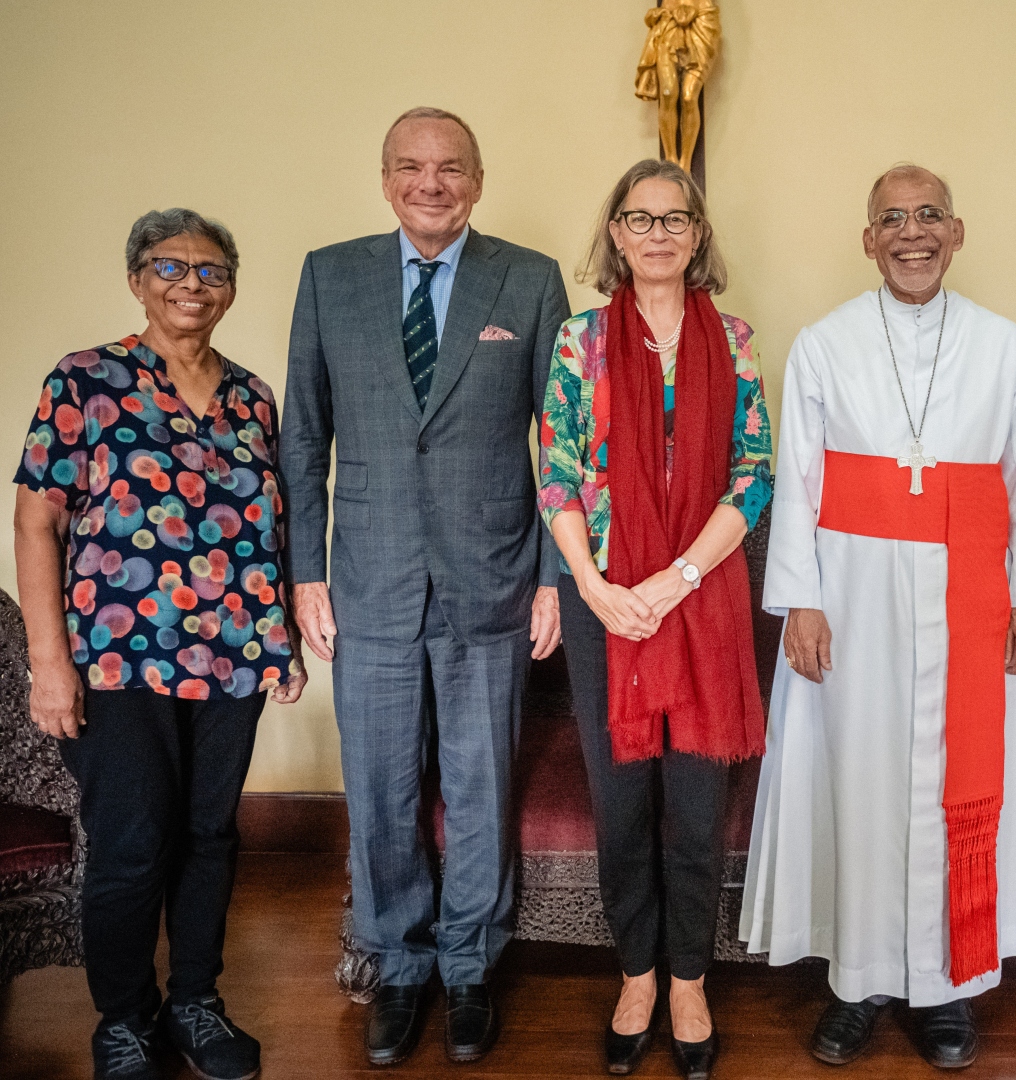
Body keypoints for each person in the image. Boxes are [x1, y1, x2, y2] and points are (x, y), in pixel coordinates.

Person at [742, 164, 1016, 1070]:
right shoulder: (823, 341)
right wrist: (798, 600)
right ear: (867, 239)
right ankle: (861, 980)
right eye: (892, 219)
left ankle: (950, 986)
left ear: (957, 233)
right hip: (851, 596)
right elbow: (797, 482)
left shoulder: (1003, 344)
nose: (912, 232)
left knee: (947, 787)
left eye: (929, 216)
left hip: (971, 596)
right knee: (863, 779)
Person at [281, 107, 571, 1066]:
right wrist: (307, 571)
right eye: (412, 167)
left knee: (482, 783)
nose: (431, 183)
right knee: (379, 787)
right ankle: (398, 969)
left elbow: (564, 447)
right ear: (385, 178)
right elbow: (302, 437)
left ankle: (470, 966)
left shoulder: (526, 280)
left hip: (491, 579)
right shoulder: (330, 275)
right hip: (367, 580)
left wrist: (551, 580)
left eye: (450, 167)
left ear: (477, 180)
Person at [13, 208, 307, 1080]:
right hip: (116, 656)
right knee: (134, 839)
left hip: (236, 656)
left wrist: (280, 636)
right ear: (137, 279)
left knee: (211, 835)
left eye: (211, 270)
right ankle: (124, 1018)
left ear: (230, 288)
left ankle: (196, 1002)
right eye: (169, 266)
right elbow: (38, 525)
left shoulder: (253, 396)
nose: (190, 282)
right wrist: (48, 663)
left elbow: (274, 526)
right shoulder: (85, 381)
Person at [539, 157, 772, 1080]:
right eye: (639, 219)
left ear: (699, 235)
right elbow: (557, 472)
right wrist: (593, 588)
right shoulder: (579, 342)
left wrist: (675, 577)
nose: (658, 233)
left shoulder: (739, 340)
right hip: (609, 607)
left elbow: (752, 474)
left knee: (695, 804)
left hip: (700, 597)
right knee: (622, 799)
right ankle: (635, 972)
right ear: (616, 235)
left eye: (675, 219)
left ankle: (688, 979)